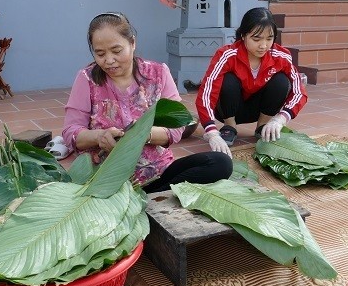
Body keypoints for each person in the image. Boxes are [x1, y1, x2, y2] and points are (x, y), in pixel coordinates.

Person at [62, 12, 233, 193]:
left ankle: (149, 196)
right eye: (100, 53)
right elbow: (70, 133)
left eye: (116, 51)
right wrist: (99, 136)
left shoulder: (158, 73)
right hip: (107, 179)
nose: (109, 60)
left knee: (220, 163)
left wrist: (142, 135)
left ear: (132, 43)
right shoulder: (87, 79)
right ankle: (152, 198)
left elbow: (176, 129)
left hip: (157, 172)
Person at [195, 7, 308, 153]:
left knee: (281, 81)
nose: (263, 45)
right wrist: (211, 132)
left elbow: (300, 92)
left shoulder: (281, 56)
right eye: (256, 39)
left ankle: (263, 126)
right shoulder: (227, 55)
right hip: (228, 109)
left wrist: (280, 119)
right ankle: (230, 127)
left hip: (259, 108)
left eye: (269, 39)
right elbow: (206, 93)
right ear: (243, 35)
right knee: (227, 80)